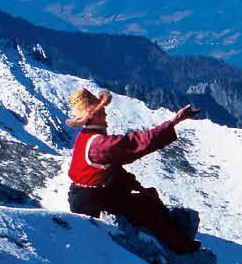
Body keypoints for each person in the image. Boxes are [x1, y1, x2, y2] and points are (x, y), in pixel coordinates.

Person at [63, 88, 205, 254]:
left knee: (147, 197)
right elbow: (137, 143)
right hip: (94, 202)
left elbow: (112, 171)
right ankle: (181, 247)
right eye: (101, 111)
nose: (105, 115)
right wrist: (173, 122)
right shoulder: (100, 144)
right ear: (92, 115)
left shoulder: (85, 137)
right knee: (147, 207)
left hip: (85, 196)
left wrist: (138, 187)